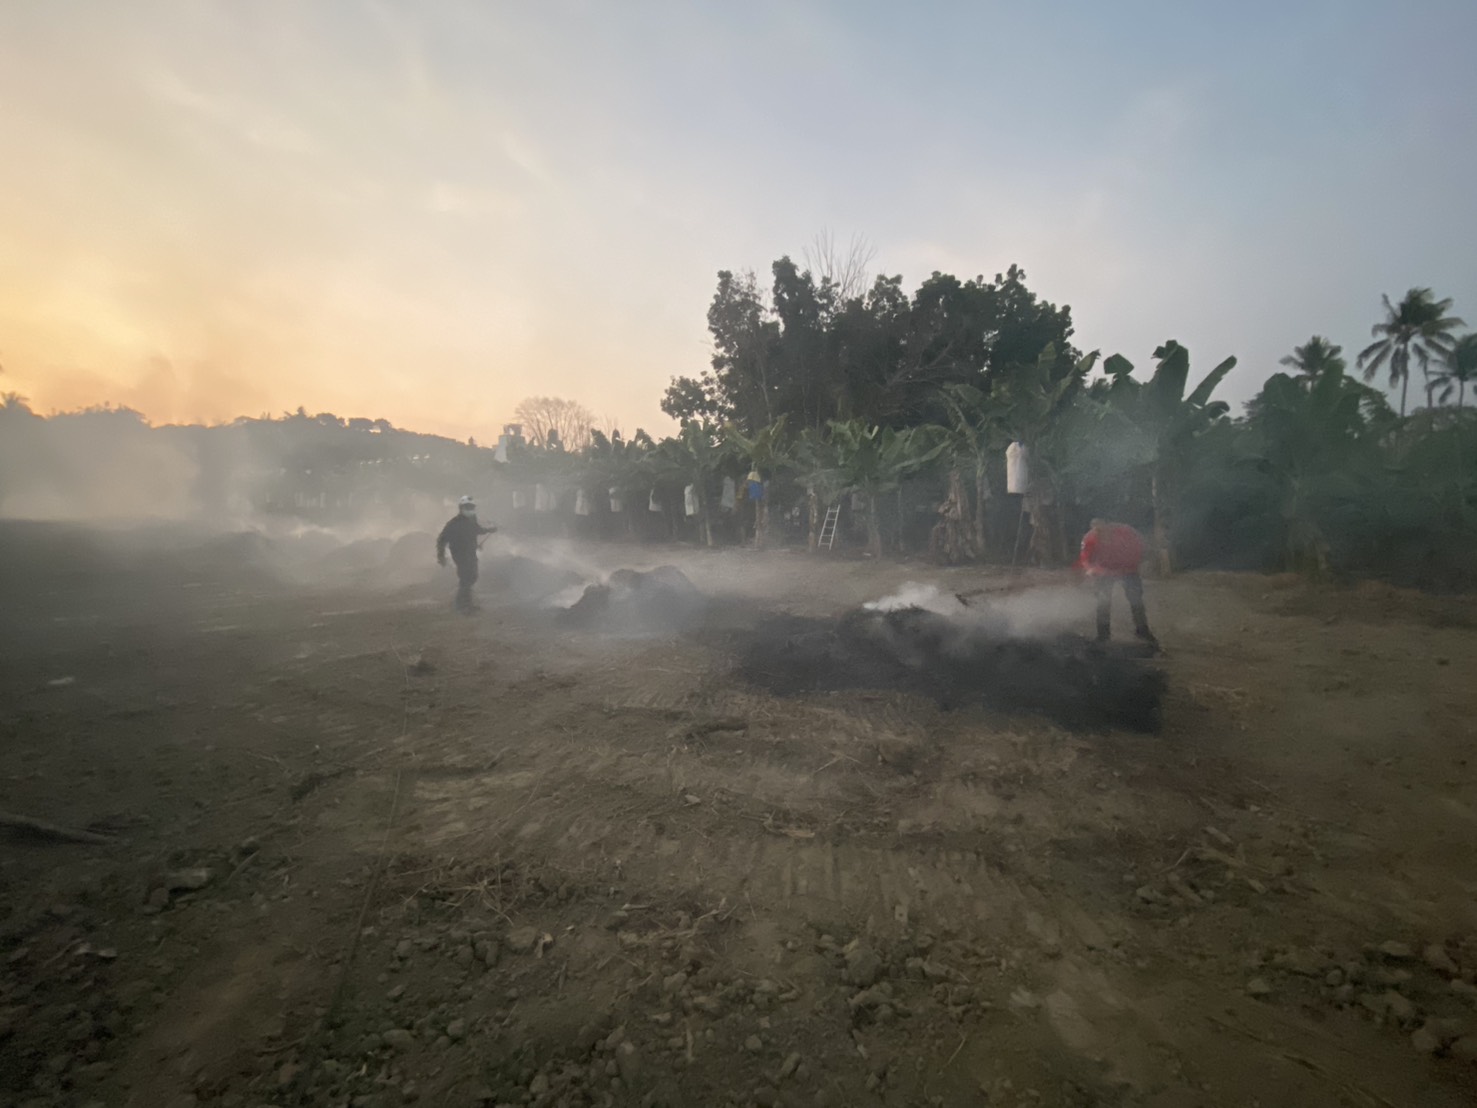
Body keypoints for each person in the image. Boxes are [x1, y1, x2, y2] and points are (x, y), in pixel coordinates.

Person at [1075, 518, 1157, 648]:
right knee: (1103, 602)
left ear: (1109, 527)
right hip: (1104, 571)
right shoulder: (1089, 539)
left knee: (1136, 600)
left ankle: (1142, 631)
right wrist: (1094, 570)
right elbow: (1085, 559)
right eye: (1098, 531)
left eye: (1103, 530)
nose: (1101, 534)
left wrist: (1132, 566)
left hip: (1128, 568)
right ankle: (1103, 635)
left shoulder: (1125, 533)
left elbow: (1139, 548)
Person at [436, 495, 497, 614]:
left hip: (470, 552)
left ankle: (465, 603)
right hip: (460, 554)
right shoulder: (453, 524)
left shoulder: (471, 520)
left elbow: (477, 530)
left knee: (472, 576)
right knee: (466, 577)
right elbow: (442, 539)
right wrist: (441, 555)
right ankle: (462, 605)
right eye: (467, 507)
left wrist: (490, 530)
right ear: (461, 508)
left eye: (471, 507)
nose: (470, 509)